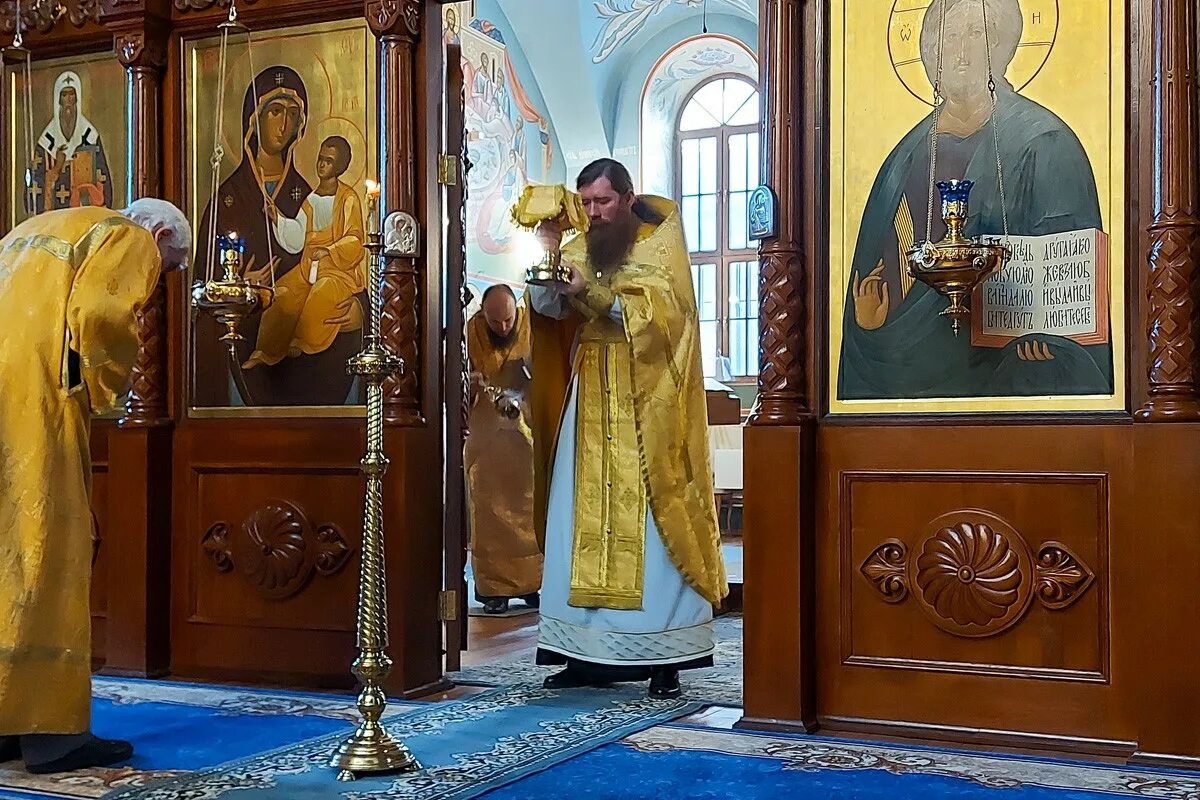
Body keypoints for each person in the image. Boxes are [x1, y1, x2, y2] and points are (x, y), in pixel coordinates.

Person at [0, 198, 191, 774]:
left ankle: (7, 718)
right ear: (158, 232)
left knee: (4, 558)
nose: (158, 284)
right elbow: (103, 316)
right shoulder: (126, 235)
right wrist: (106, 393)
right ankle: (52, 732)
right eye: (167, 267)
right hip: (40, 403)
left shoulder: (26, 232)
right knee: (49, 551)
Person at [838, 0, 1111, 400]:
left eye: (975, 33)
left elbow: (1070, 271)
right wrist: (869, 327)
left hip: (1006, 364)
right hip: (904, 375)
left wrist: (1053, 338)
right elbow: (877, 271)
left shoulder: (1045, 142)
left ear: (1001, 47)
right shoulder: (904, 158)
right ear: (931, 53)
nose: (960, 51)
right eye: (948, 36)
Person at [527, 159, 727, 699]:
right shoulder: (578, 247)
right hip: (590, 389)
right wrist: (549, 255)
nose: (593, 213)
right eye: (586, 203)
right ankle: (581, 652)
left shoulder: (658, 244)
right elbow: (545, 307)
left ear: (627, 196)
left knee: (654, 520)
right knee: (577, 515)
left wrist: (592, 295)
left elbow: (669, 318)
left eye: (603, 202)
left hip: (648, 402)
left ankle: (665, 655)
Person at [243, 135, 366, 369]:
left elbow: (355, 239)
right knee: (282, 293)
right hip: (307, 268)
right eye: (320, 159)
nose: (322, 165)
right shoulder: (310, 200)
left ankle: (303, 343)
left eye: (328, 161)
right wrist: (277, 217)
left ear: (339, 167)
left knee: (320, 294)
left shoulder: (347, 199)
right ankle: (266, 351)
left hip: (338, 273)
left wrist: (329, 250)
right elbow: (298, 236)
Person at [465, 284, 543, 614]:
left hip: (524, 435)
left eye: (508, 320)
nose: (503, 328)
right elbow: (454, 374)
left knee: (528, 506)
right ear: (483, 314)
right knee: (487, 510)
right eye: (495, 322)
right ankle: (493, 589)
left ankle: (532, 584)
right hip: (486, 438)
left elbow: (546, 373)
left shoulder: (532, 325)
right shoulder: (470, 331)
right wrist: (467, 380)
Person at [28, 70, 113, 215]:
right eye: (64, 95)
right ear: (58, 100)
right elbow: (34, 190)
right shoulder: (46, 142)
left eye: (72, 94)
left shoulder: (90, 136)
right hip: (54, 221)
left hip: (82, 219)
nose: (68, 101)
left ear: (77, 98)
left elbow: (103, 182)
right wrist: (57, 168)